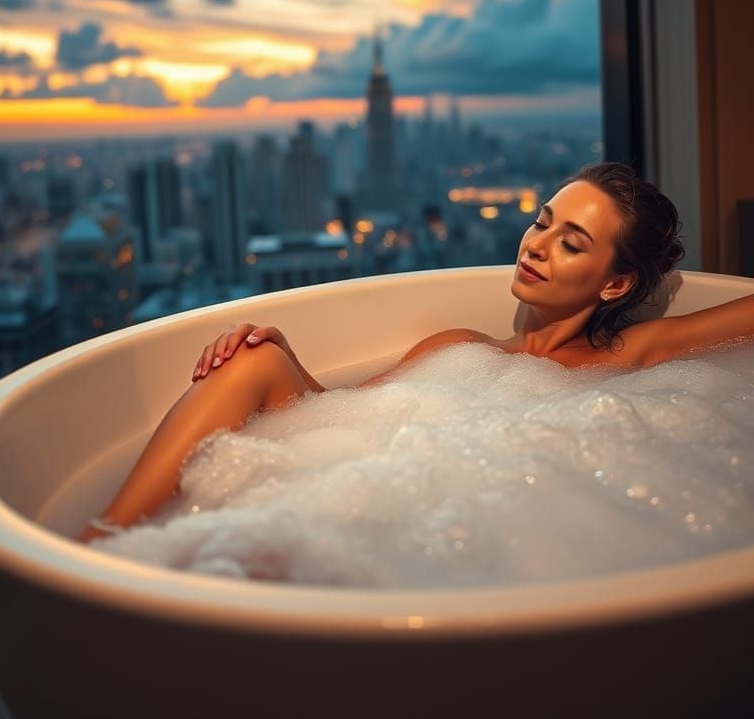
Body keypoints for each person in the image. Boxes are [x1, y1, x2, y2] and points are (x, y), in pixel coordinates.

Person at [76, 161, 754, 544]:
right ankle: (104, 543)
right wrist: (276, 357)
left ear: (615, 282)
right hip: (381, 503)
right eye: (541, 221)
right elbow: (331, 421)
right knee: (247, 359)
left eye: (572, 242)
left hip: (470, 538)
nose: (537, 245)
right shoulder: (456, 348)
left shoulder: (632, 356)